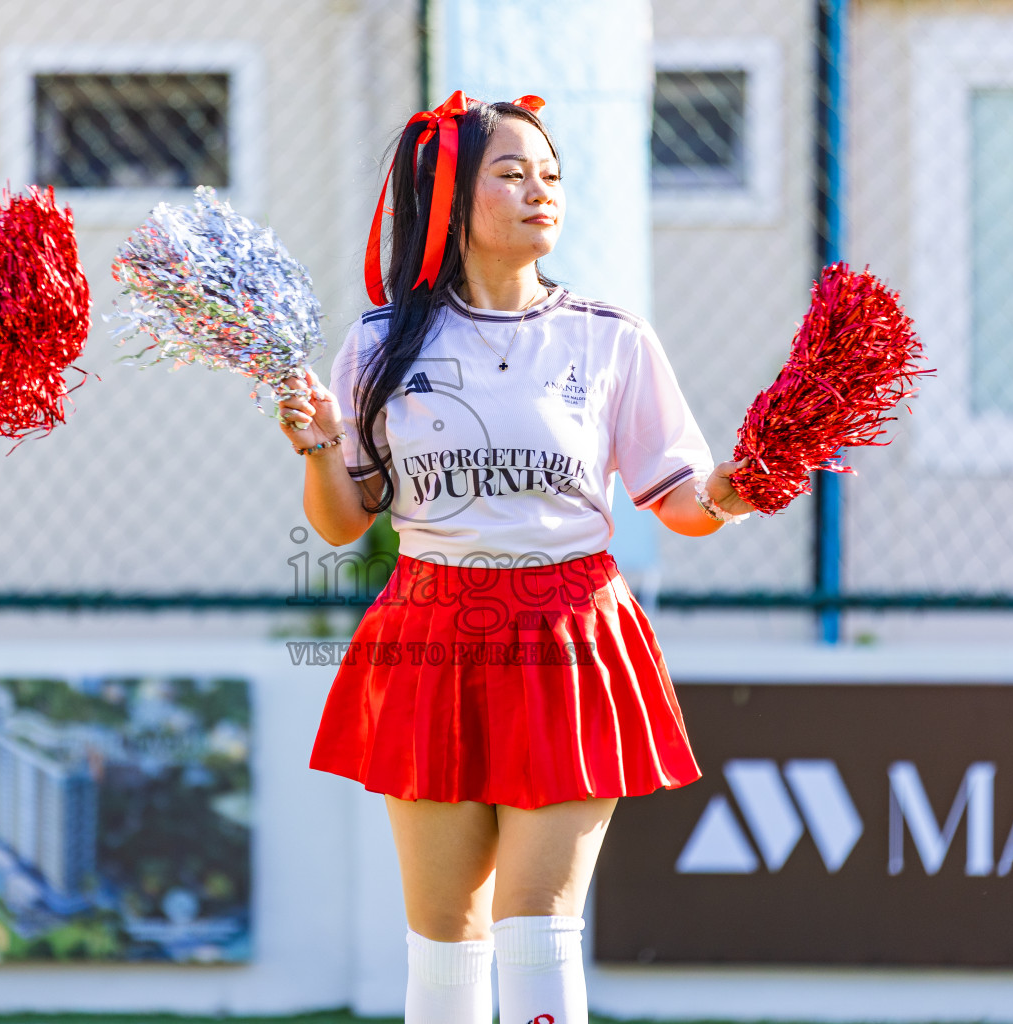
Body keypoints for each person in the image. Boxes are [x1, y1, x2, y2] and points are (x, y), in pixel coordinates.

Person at [277, 91, 754, 1024]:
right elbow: (342, 524)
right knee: (446, 939)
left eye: (552, 175)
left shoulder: (611, 337)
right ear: (449, 200)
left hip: (571, 636)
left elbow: (681, 503)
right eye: (511, 173)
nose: (542, 191)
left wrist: (734, 491)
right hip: (431, 629)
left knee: (538, 926)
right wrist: (317, 446)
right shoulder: (378, 343)